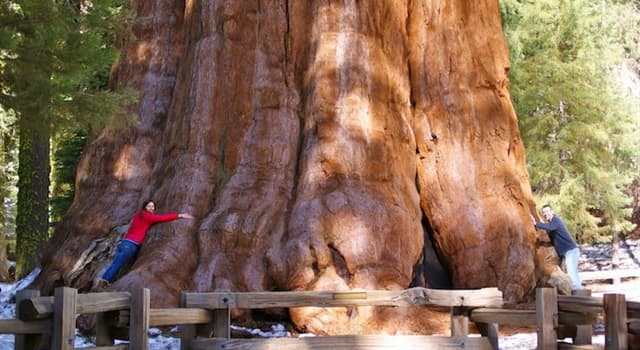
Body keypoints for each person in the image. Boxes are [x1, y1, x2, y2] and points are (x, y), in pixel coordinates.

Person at [93, 200, 194, 290]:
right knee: (117, 264)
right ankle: (102, 283)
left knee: (117, 264)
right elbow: (161, 218)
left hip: (124, 243)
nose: (151, 208)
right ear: (145, 207)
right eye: (149, 206)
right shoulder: (147, 216)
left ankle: (103, 282)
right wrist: (179, 215)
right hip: (130, 245)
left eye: (153, 206)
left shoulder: (138, 215)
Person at [530, 204, 583, 290]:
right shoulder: (551, 224)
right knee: (572, 271)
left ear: (552, 212)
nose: (545, 214)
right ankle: (579, 291)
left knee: (571, 271)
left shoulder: (556, 220)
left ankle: (577, 291)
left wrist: (536, 224)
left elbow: (550, 227)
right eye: (544, 212)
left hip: (571, 251)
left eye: (547, 211)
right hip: (567, 252)